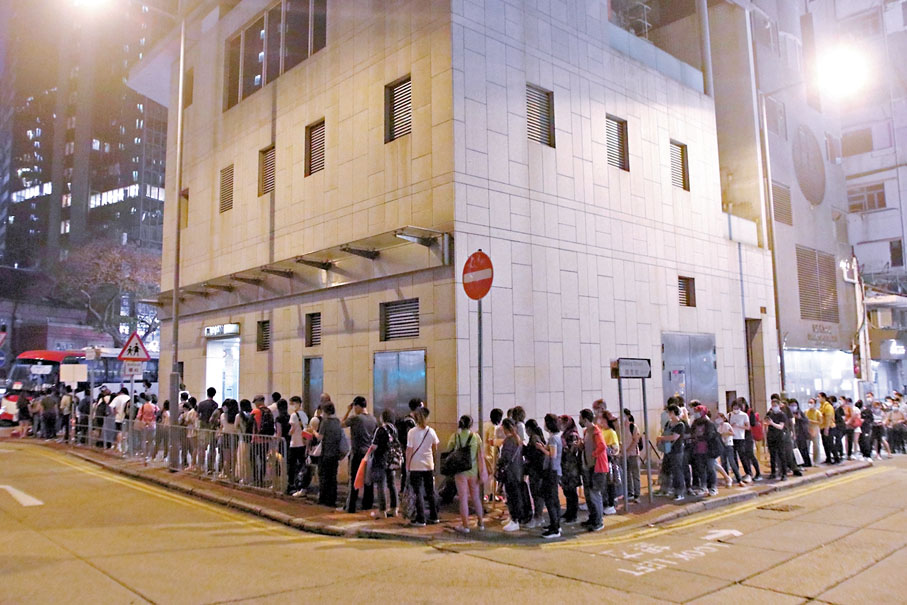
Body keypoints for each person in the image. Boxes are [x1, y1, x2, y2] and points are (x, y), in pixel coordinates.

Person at [447, 415, 486, 534]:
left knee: (463, 498)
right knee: (476, 497)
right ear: (471, 425)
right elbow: (480, 455)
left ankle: (465, 526)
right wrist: (482, 471)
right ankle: (481, 523)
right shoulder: (476, 437)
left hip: (460, 471)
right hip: (473, 471)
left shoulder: (455, 436)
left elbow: (449, 449)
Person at [405, 406, 440, 527]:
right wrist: (432, 459)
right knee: (430, 491)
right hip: (428, 464)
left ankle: (421, 519)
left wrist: (407, 465)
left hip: (415, 465)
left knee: (418, 492)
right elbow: (435, 448)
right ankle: (434, 516)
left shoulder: (412, 432)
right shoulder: (431, 431)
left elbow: (409, 450)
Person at [343, 396, 378, 513]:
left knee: (354, 480)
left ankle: (351, 506)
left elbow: (341, 424)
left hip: (357, 452)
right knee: (368, 481)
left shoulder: (356, 418)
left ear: (357, 406)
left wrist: (348, 411)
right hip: (369, 453)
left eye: (354, 407)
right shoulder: (373, 419)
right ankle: (367, 505)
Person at [534, 413, 562, 538]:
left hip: (552, 471)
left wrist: (541, 449)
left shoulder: (553, 439)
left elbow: (552, 454)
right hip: (554, 471)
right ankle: (555, 524)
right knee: (553, 499)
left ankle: (555, 528)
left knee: (550, 500)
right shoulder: (555, 438)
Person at [579, 408, 608, 530]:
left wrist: (593, 455)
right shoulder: (587, 431)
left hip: (597, 468)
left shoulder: (595, 431)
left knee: (595, 494)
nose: (579, 421)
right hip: (588, 466)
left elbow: (602, 446)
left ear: (585, 419)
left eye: (580, 418)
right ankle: (593, 518)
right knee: (589, 495)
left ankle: (598, 521)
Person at [370, 408, 400, 519]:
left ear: (383, 418)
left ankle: (382, 511)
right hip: (391, 460)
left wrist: (369, 453)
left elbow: (374, 446)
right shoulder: (394, 429)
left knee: (381, 485)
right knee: (392, 484)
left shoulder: (380, 429)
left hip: (380, 460)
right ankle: (394, 509)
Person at [498, 418, 526, 532]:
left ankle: (515, 520)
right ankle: (513, 518)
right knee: (514, 495)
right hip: (517, 471)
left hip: (510, 473)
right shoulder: (517, 439)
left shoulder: (509, 441)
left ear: (505, 428)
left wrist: (499, 464)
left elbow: (506, 457)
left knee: (512, 496)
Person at [657, 404, 687, 501]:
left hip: (676, 451)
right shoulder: (668, 423)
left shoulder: (680, 425)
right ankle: (664, 489)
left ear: (674, 412)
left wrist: (661, 438)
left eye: (670, 412)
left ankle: (679, 492)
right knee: (665, 470)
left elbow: (674, 437)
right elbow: (665, 433)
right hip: (667, 449)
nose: (668, 414)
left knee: (677, 471)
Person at [316, 402, 343, 507]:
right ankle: (332, 499)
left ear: (325, 411)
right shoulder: (337, 421)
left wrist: (313, 432)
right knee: (333, 477)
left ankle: (323, 498)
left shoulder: (325, 422)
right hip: (335, 453)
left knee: (324, 476)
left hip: (326, 453)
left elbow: (320, 437)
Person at [558, 415, 583, 523]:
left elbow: (572, 451)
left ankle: (573, 515)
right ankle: (569, 512)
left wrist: (562, 449)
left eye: (561, 423)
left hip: (571, 467)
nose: (560, 425)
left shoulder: (572, 434)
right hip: (566, 466)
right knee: (567, 491)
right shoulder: (566, 434)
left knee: (571, 491)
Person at [395, 398, 422, 493]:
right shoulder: (409, 422)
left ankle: (406, 492)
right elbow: (409, 439)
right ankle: (405, 492)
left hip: (409, 451)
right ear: (417, 408)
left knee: (407, 472)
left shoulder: (412, 420)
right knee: (407, 473)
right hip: (409, 451)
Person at [524, 419, 547, 528]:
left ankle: (538, 517)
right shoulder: (537, 437)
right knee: (538, 494)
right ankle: (538, 516)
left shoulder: (534, 438)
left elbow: (535, 454)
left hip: (536, 470)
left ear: (528, 428)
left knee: (537, 494)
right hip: (538, 470)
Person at [250, 395, 275, 486]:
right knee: (263, 460)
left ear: (258, 401)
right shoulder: (269, 411)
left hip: (256, 440)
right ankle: (262, 478)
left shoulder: (255, 411)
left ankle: (256, 479)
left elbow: (250, 424)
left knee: (253, 459)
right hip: (266, 440)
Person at [599, 412, 620, 514]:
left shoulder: (611, 432)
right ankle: (606, 503)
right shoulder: (602, 430)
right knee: (604, 484)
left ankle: (611, 504)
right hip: (602, 461)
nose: (600, 421)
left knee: (610, 483)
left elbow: (615, 449)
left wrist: (604, 449)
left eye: (602, 419)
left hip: (609, 461)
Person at [765, 398, 790, 480]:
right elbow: (766, 423)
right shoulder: (770, 413)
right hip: (771, 436)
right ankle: (773, 472)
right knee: (772, 455)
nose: (774, 407)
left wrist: (772, 423)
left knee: (781, 455)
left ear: (779, 405)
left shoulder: (782, 415)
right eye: (772, 405)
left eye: (775, 405)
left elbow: (781, 426)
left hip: (779, 436)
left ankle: (784, 473)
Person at [287, 397, 308, 494]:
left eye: (292, 404)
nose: (291, 406)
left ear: (297, 403)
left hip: (294, 443)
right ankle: (302, 484)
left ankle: (292, 484)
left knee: (292, 465)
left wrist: (289, 433)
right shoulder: (304, 414)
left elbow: (292, 430)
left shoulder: (293, 415)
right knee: (302, 465)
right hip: (302, 443)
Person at [729, 399, 753, 482]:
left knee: (742, 456)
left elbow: (748, 427)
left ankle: (748, 473)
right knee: (733, 457)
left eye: (737, 407)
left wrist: (739, 426)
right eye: (734, 407)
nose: (735, 409)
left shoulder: (744, 415)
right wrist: (731, 426)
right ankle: (737, 474)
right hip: (731, 438)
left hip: (740, 438)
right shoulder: (729, 415)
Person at [717, 412, 743, 486]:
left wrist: (724, 434)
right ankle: (727, 478)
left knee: (732, 462)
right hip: (722, 445)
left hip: (728, 444)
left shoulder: (726, 425)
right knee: (723, 462)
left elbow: (732, 433)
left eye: (719, 417)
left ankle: (739, 479)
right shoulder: (719, 427)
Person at [621, 409, 642, 502]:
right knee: (627, 474)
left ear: (628, 416)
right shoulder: (620, 428)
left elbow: (636, 440)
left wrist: (628, 451)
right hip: (624, 455)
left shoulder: (633, 427)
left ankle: (637, 494)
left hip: (633, 454)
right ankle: (630, 492)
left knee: (635, 474)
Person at [197, 387, 218, 474]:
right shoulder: (215, 405)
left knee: (202, 448)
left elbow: (198, 415)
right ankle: (210, 467)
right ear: (214, 394)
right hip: (212, 428)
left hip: (203, 427)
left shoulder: (201, 404)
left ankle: (201, 466)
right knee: (212, 449)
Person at [483, 408, 503, 500]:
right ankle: (491, 494)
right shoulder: (493, 427)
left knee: (486, 475)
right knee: (493, 475)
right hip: (491, 454)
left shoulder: (485, 424)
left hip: (484, 453)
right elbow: (491, 442)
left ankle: (487, 494)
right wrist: (502, 441)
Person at [220, 399, 240, 481]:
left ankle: (228, 475)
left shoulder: (223, 415)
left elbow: (222, 425)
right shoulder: (237, 416)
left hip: (225, 435)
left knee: (226, 458)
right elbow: (237, 427)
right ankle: (233, 475)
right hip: (235, 436)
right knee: (234, 458)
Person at [790, 399, 812, 467]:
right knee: (795, 449)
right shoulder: (788, 413)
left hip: (801, 433)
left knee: (803, 449)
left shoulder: (800, 412)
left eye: (795, 405)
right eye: (792, 405)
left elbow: (806, 421)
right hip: (793, 433)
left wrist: (799, 418)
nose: (793, 407)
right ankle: (797, 463)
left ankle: (805, 463)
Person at [820, 393, 838, 464]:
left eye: (819, 397)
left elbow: (828, 418)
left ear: (823, 397)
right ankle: (828, 458)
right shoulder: (822, 406)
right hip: (822, 427)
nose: (818, 398)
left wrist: (826, 429)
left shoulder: (828, 407)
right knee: (825, 444)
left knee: (830, 443)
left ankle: (836, 458)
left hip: (829, 427)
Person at [805, 398, 824, 464]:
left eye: (811, 402)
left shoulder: (818, 412)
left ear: (815, 404)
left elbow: (820, 422)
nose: (810, 404)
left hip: (815, 429)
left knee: (816, 445)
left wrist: (811, 421)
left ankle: (816, 461)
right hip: (807, 429)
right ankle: (807, 460)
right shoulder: (806, 411)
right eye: (809, 402)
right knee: (807, 445)